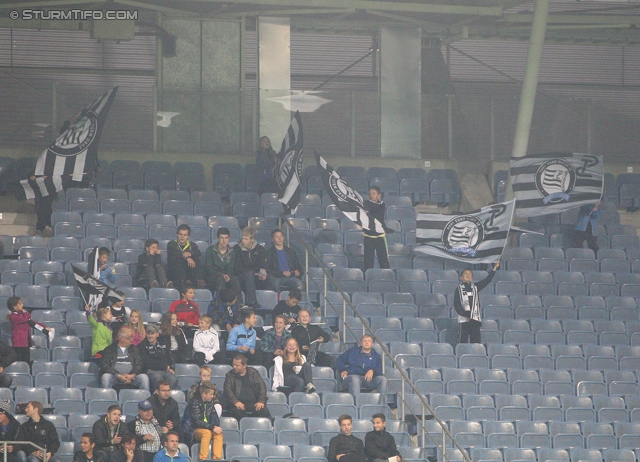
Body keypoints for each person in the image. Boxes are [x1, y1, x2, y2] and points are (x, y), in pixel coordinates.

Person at [454, 262, 500, 344]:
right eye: (466, 274)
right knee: (462, 342)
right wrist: (466, 315)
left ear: (472, 278)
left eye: (470, 274)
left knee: (476, 343)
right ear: (461, 278)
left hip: (475, 320)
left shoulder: (475, 287)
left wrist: (495, 268)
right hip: (464, 320)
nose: (468, 275)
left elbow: (487, 280)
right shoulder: (458, 289)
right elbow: (457, 304)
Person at [337, 335, 387, 400]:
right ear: (361, 343)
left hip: (368, 380)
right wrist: (343, 369)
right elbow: (339, 360)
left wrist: (372, 371)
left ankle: (381, 404)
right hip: (352, 377)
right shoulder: (352, 352)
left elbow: (379, 371)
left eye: (369, 341)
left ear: (372, 344)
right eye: (364, 341)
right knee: (354, 378)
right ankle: (356, 403)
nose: (367, 342)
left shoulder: (376, 356)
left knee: (383, 379)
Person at [223, 354, 272, 422]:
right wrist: (235, 402)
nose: (234, 367)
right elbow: (227, 390)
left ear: (244, 365)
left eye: (237, 365)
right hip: (238, 404)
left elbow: (262, 387)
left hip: (254, 403)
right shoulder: (229, 375)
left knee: (264, 411)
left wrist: (261, 401)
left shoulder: (254, 373)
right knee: (237, 412)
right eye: (233, 364)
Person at [182, 382, 223, 460]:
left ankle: (217, 458)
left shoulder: (211, 403)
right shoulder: (194, 403)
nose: (213, 396)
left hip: (207, 427)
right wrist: (212, 427)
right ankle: (203, 459)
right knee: (206, 433)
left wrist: (216, 427)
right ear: (204, 394)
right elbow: (197, 421)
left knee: (218, 432)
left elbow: (215, 417)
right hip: (193, 429)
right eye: (211, 394)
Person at [100, 327, 150, 391]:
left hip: (132, 378)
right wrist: (118, 375)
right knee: (106, 377)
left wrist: (133, 375)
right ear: (122, 339)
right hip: (115, 377)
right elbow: (105, 365)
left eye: (132, 337)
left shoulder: (135, 349)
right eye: (130, 338)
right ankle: (106, 399)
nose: (132, 340)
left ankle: (146, 400)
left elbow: (139, 363)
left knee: (144, 377)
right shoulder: (110, 349)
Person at [7, 296, 53, 363]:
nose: (22, 305)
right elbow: (26, 318)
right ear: (15, 307)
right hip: (18, 343)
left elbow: (32, 323)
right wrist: (26, 312)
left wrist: (44, 327)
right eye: (20, 304)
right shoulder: (13, 316)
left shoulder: (23, 316)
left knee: (26, 360)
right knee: (19, 360)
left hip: (25, 343)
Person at [234, 226, 270, 309]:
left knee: (270, 279)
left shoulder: (260, 249)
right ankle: (252, 301)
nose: (243, 241)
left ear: (252, 239)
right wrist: (254, 273)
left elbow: (264, 265)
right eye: (242, 238)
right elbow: (237, 268)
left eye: (246, 239)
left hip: (257, 275)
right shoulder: (236, 249)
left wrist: (262, 273)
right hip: (241, 275)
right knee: (249, 274)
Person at [138, 325, 178, 391]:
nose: (150, 336)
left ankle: (168, 398)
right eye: (148, 333)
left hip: (165, 370)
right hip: (151, 370)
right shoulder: (142, 345)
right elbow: (147, 362)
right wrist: (164, 366)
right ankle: (156, 398)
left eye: (152, 333)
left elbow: (170, 357)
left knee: (173, 379)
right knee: (158, 379)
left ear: (157, 334)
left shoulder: (164, 344)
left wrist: (171, 367)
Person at [167, 225, 205, 289]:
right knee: (179, 260)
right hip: (174, 270)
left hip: (189, 271)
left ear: (188, 236)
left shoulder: (192, 245)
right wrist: (187, 257)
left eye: (185, 235)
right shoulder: (172, 244)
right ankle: (187, 282)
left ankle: (196, 281)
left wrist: (190, 253)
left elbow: (198, 252)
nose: (182, 237)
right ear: (177, 234)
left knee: (195, 259)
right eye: (180, 234)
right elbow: (176, 253)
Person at [204, 228, 239, 293]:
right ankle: (219, 301)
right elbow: (209, 268)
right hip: (213, 277)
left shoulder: (232, 251)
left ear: (229, 238)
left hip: (227, 276)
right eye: (221, 238)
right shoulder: (210, 250)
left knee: (235, 279)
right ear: (218, 238)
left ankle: (239, 302)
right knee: (221, 278)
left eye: (226, 238)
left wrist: (228, 275)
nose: (224, 240)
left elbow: (231, 268)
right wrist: (221, 275)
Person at [363, 186, 390, 271]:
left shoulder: (381, 205)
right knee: (368, 261)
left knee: (383, 260)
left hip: (380, 236)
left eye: (374, 193)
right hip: (368, 236)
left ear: (379, 195)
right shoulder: (366, 204)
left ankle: (386, 278)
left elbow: (374, 210)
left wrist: (365, 205)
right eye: (370, 194)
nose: (371, 195)